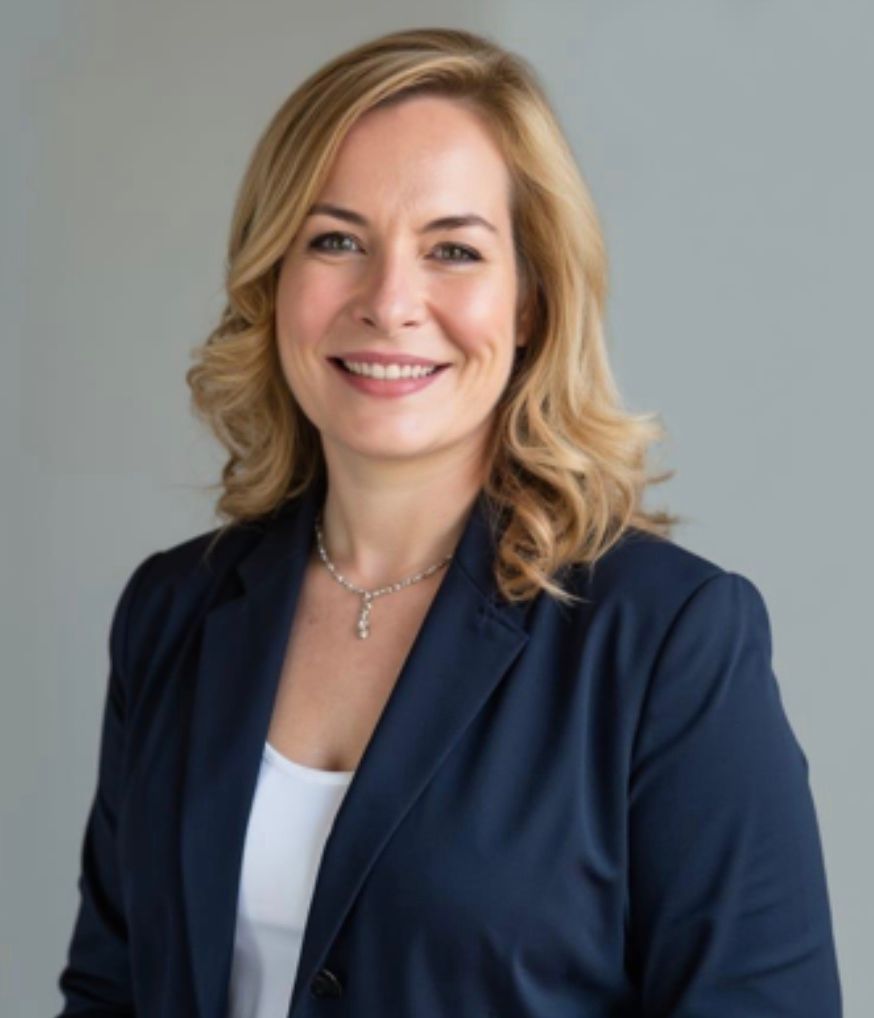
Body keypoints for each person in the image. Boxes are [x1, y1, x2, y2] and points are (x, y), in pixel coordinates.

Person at [55, 26, 842, 1018]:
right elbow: (110, 990)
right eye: (336, 240)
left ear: (528, 302)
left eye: (453, 250)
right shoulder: (170, 613)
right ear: (273, 278)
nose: (390, 302)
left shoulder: (666, 644)